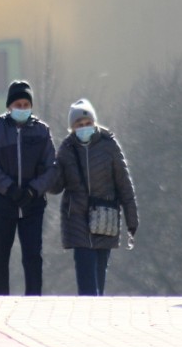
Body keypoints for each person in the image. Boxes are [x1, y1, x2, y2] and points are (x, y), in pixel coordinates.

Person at [49, 99, 139, 296]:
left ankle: (95, 316)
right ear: (72, 128)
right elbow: (56, 186)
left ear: (94, 122)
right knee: (87, 283)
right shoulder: (67, 150)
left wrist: (132, 220)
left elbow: (124, 184)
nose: (84, 128)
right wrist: (48, 168)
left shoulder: (109, 146)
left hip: (104, 220)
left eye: (87, 123)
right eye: (79, 125)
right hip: (78, 223)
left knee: (99, 276)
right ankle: (88, 314)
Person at [0, 80, 57, 296]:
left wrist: (33, 190)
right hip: (4, 202)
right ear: (9, 106)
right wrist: (11, 189)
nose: (22, 108)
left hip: (33, 204)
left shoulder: (42, 132)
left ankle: (34, 300)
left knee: (33, 255)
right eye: (18, 104)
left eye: (26, 104)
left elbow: (52, 168)